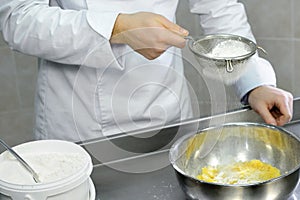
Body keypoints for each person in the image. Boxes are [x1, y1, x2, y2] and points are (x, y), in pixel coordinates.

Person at [0, 0, 293, 142]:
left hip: (167, 111)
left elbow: (221, 12)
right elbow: (19, 19)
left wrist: (254, 83)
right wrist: (117, 28)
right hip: (79, 118)